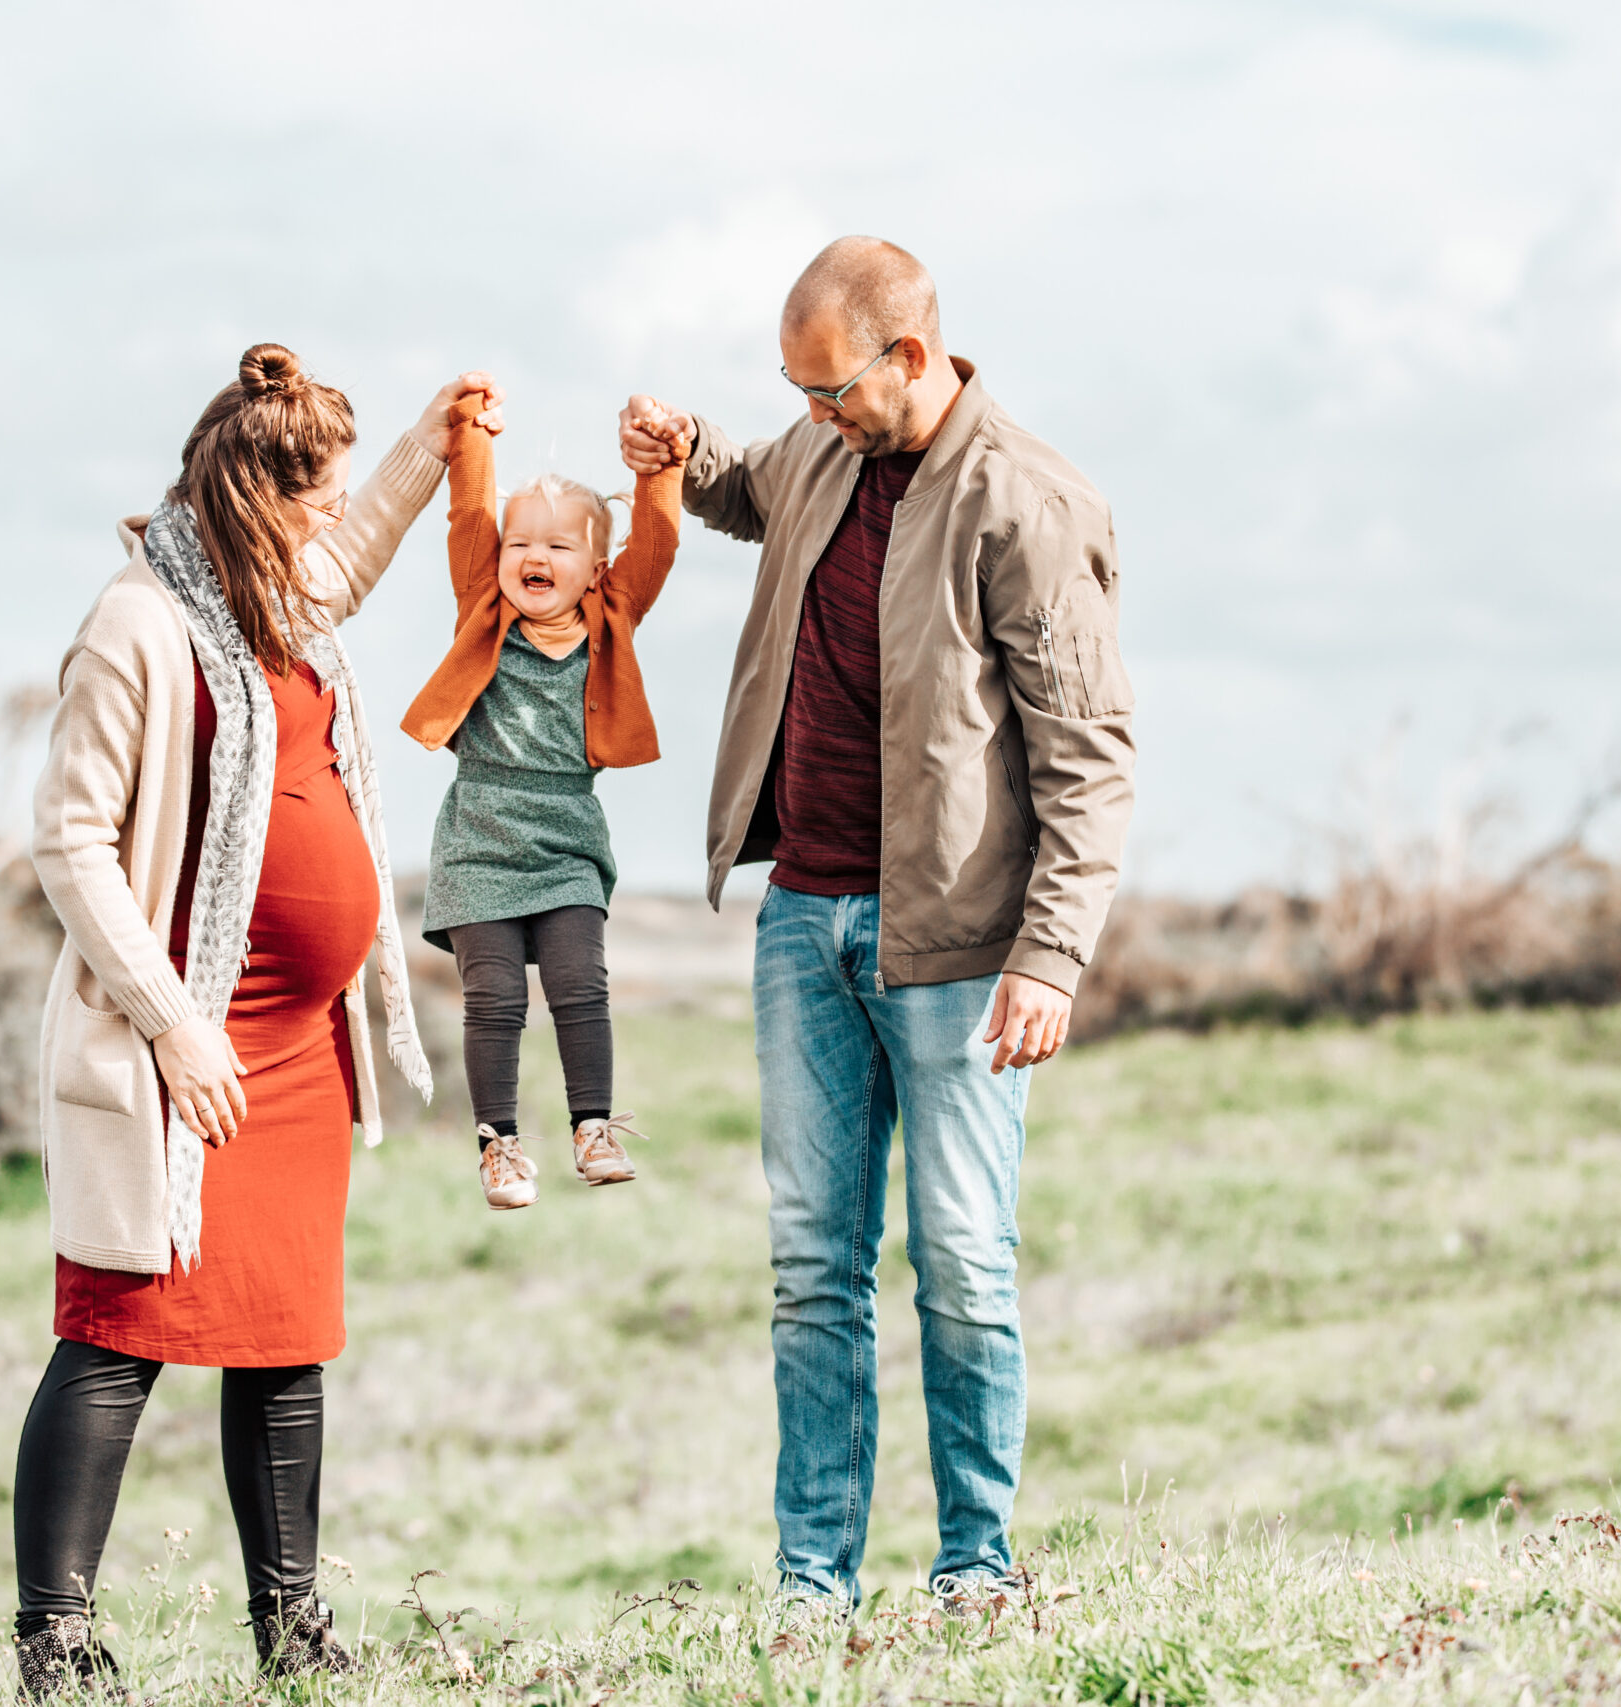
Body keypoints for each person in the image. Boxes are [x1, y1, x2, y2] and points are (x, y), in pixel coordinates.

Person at [618, 238, 1137, 1613]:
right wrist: (685, 448)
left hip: (959, 952)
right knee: (811, 1268)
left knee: (962, 1263)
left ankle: (976, 1566)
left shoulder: (1028, 501)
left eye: (831, 387)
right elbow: (748, 489)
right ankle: (813, 1584)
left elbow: (1090, 755)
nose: (815, 415)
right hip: (802, 925)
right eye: (794, 391)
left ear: (911, 355)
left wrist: (1050, 953)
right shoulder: (823, 448)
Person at [17, 344, 490, 1694]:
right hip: (186, 1053)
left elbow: (365, 549)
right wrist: (175, 1023)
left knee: (284, 1336)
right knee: (118, 1327)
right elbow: (69, 840)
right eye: (316, 492)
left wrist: (428, 436)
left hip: (300, 1049)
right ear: (252, 495)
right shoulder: (140, 622)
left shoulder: (281, 601)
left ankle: (292, 1626)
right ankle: (55, 1639)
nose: (332, 515)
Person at [398, 388, 686, 1209]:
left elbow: (657, 543)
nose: (535, 554)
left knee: (578, 982)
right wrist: (471, 436)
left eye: (558, 545)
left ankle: (591, 1126)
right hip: (480, 834)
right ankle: (500, 1145)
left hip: (566, 836)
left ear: (594, 567)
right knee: (495, 996)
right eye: (520, 541)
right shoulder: (481, 609)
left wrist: (661, 466)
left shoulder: (611, 616)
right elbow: (468, 518)